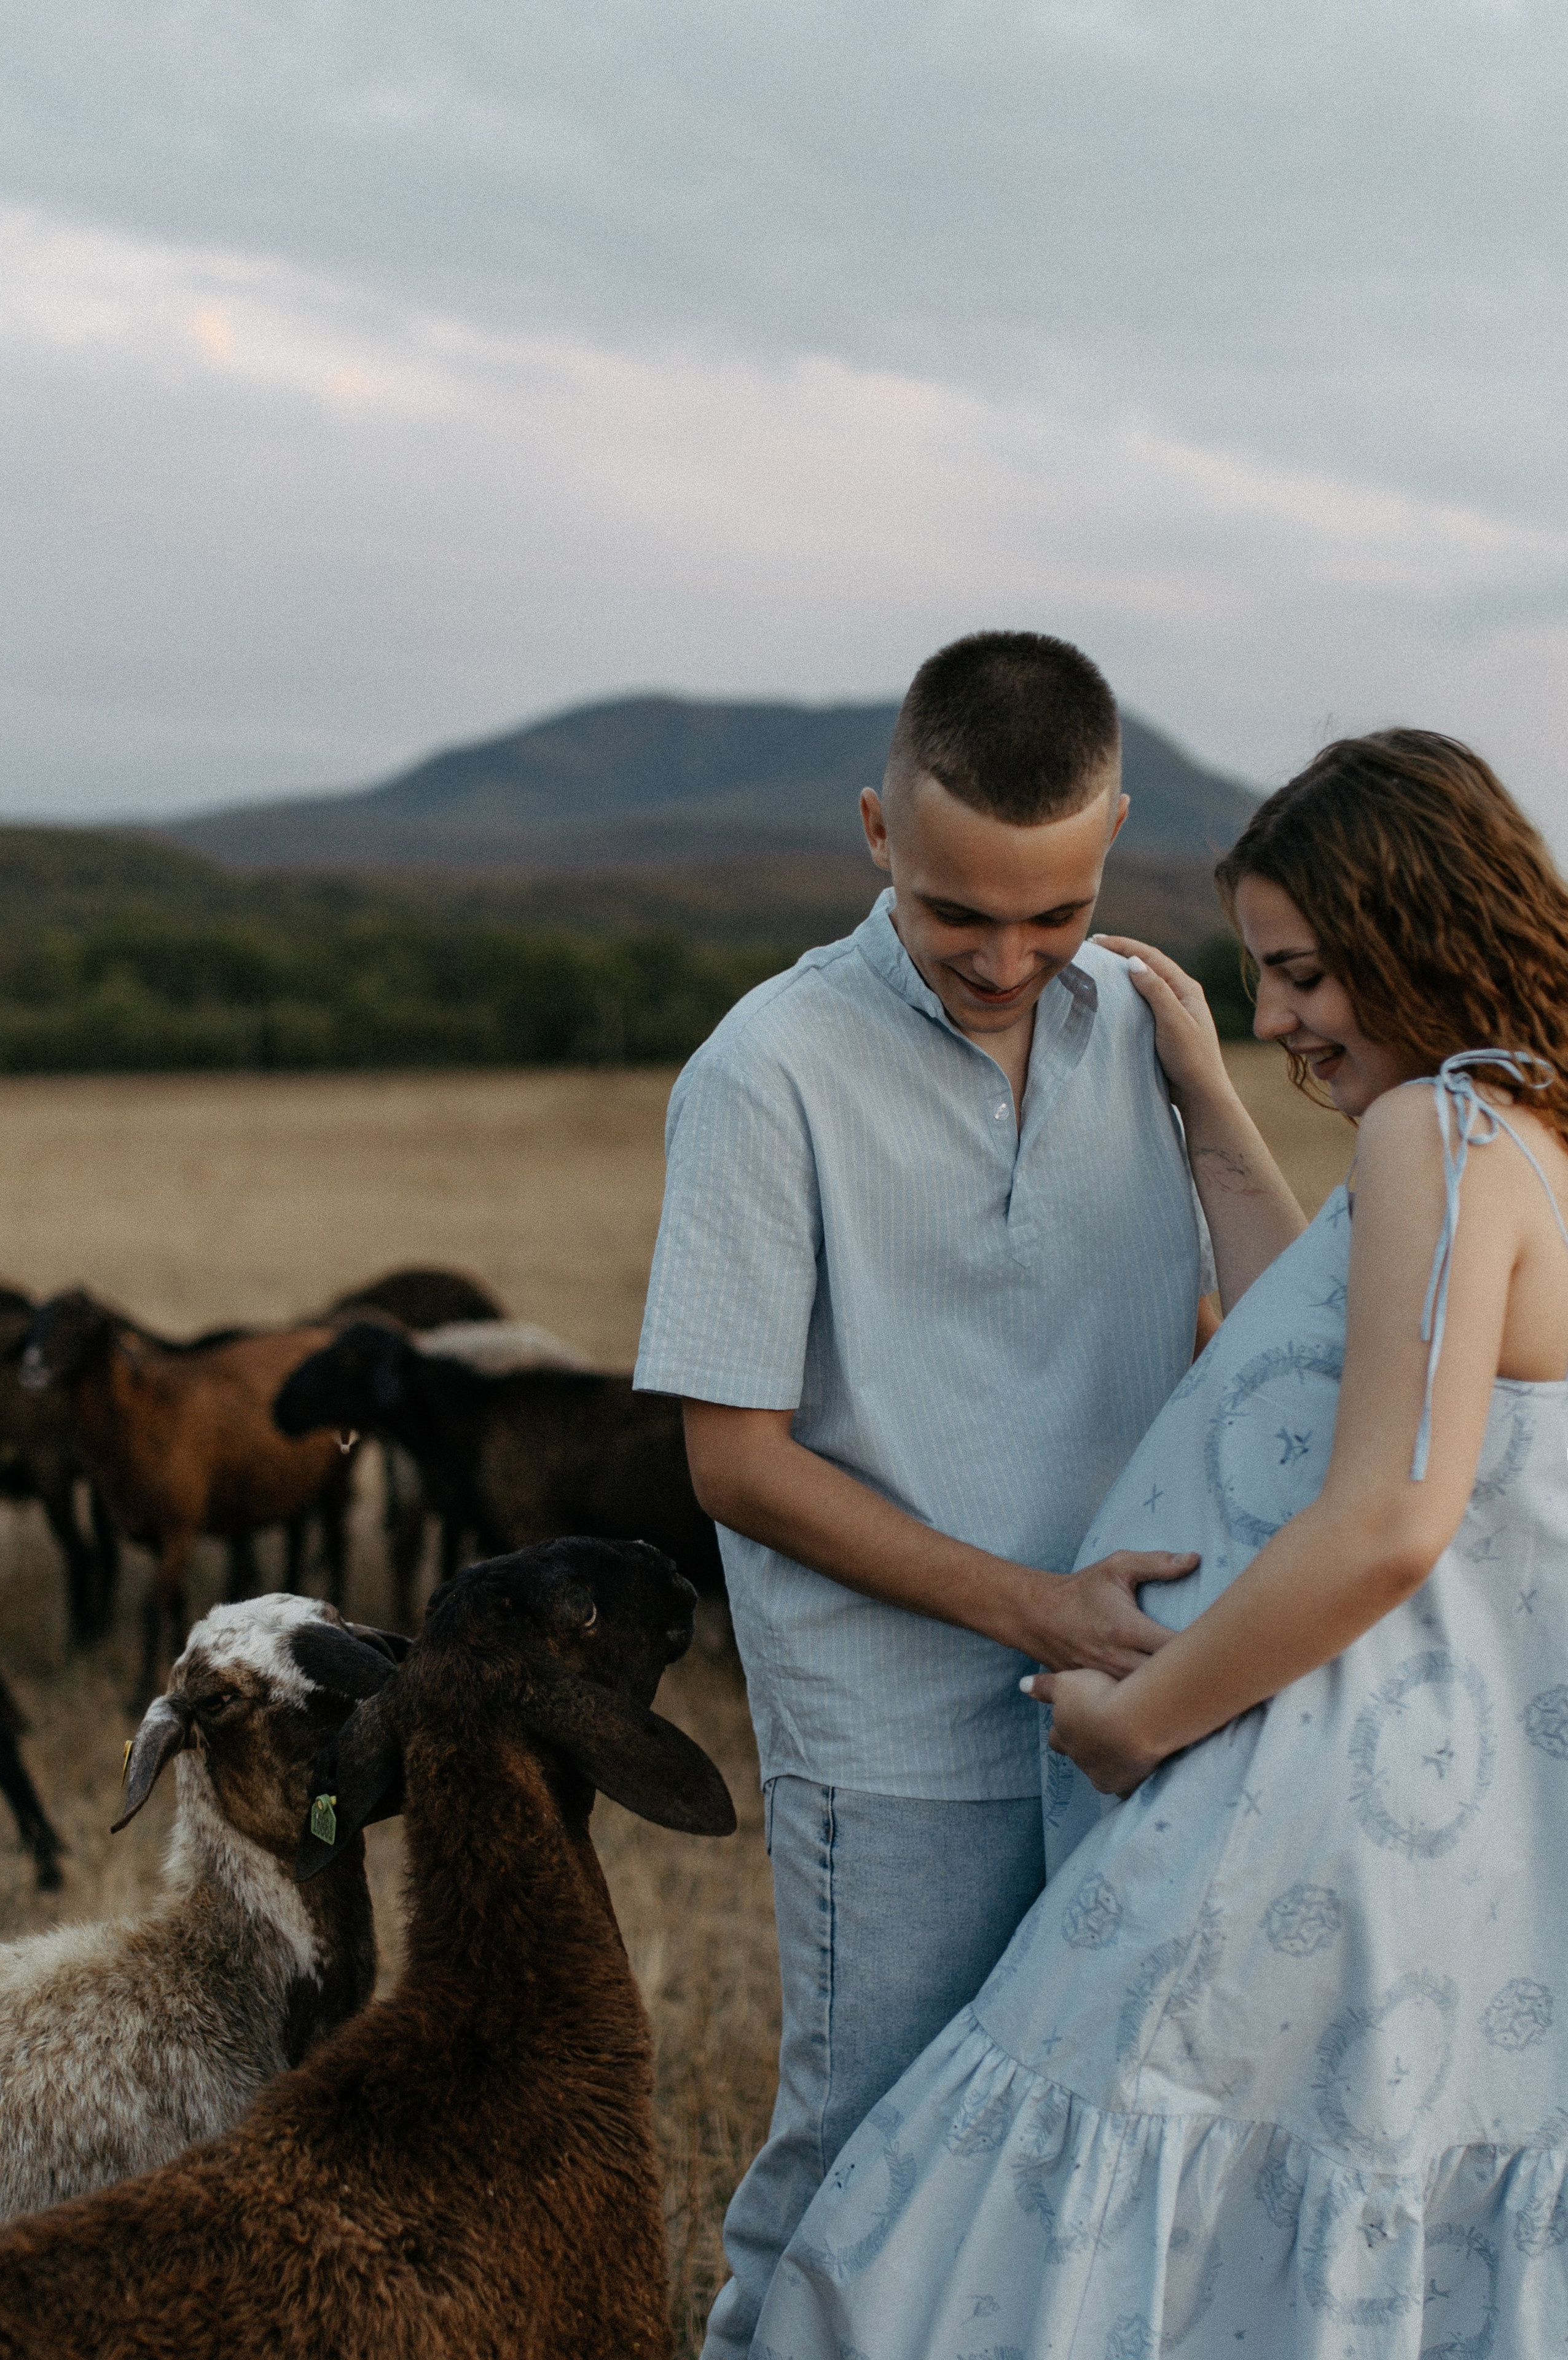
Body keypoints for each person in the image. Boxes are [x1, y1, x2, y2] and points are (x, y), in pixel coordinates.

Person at [751, 727, 1568, 2359]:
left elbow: (1390, 1520)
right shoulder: (1521, 1134)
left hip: (1322, 1793)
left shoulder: (1446, 1134)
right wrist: (1206, 1103)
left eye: (1307, 974)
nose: (1275, 1018)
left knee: (1059, 2166)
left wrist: (1144, 1711)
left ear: (1420, 928)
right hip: (1457, 1806)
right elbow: (1314, 1344)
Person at [633, 631, 1252, 2358]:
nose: (1006, 959)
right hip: (895, 1736)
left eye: (1054, 914)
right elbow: (734, 1462)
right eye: (955, 914)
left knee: (1076, 2169)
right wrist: (1037, 1605)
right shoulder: (765, 1073)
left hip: (1142, 1711)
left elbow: (1269, 1330)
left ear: (1117, 833)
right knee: (864, 2163)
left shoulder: (1144, 1023)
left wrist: (1208, 1094)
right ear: (874, 833)